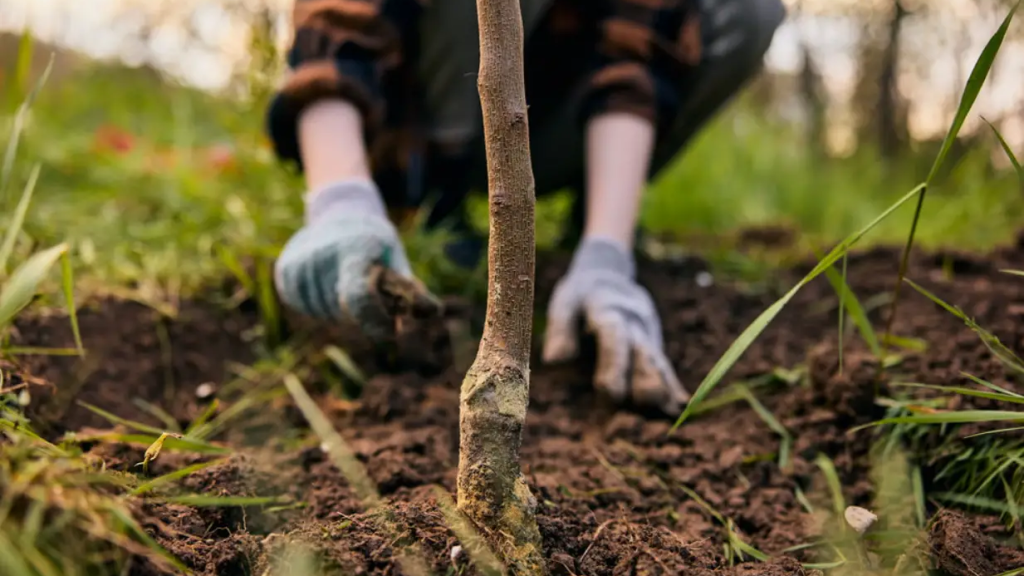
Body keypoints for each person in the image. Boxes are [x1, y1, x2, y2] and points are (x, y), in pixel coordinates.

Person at [266, 0, 786, 415]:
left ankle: (593, 230)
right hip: (414, 112)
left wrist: (607, 253)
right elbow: (335, 23)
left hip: (548, 108)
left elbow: (637, 47)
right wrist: (340, 197)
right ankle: (432, 206)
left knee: (747, 7)